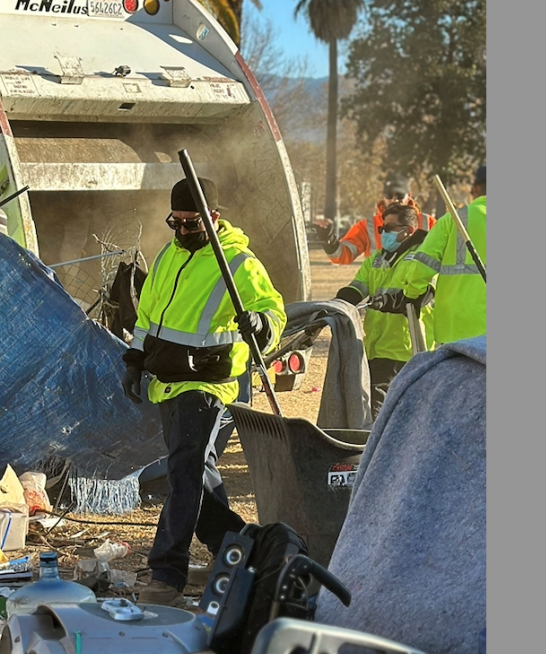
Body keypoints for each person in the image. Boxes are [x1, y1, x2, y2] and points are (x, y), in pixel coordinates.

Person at [122, 177, 286, 606]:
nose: (180, 231)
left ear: (213, 217)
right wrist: (134, 361)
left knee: (185, 473)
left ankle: (166, 574)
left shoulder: (237, 261)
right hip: (168, 383)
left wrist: (262, 326)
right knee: (199, 473)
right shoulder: (166, 257)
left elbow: (274, 312)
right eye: (174, 222)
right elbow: (147, 319)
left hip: (207, 384)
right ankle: (237, 551)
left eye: (191, 223)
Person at [335, 200, 435, 415]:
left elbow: (423, 296)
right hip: (376, 347)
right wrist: (336, 305)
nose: (383, 233)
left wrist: (391, 302)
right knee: (380, 408)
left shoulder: (423, 257)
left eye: (389, 229)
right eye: (382, 229)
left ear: (408, 231)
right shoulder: (376, 260)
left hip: (406, 348)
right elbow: (356, 290)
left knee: (393, 409)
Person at [392, 165, 487, 345]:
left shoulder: (454, 219)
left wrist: (412, 295)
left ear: (474, 189)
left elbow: (421, 266)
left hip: (456, 330)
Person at [313, 176, 435, 265]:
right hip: (380, 294)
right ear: (383, 196)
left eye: (399, 195)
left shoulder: (428, 222)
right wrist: (328, 240)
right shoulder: (367, 226)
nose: (394, 200)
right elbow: (343, 256)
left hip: (417, 294)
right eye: (389, 195)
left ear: (409, 195)